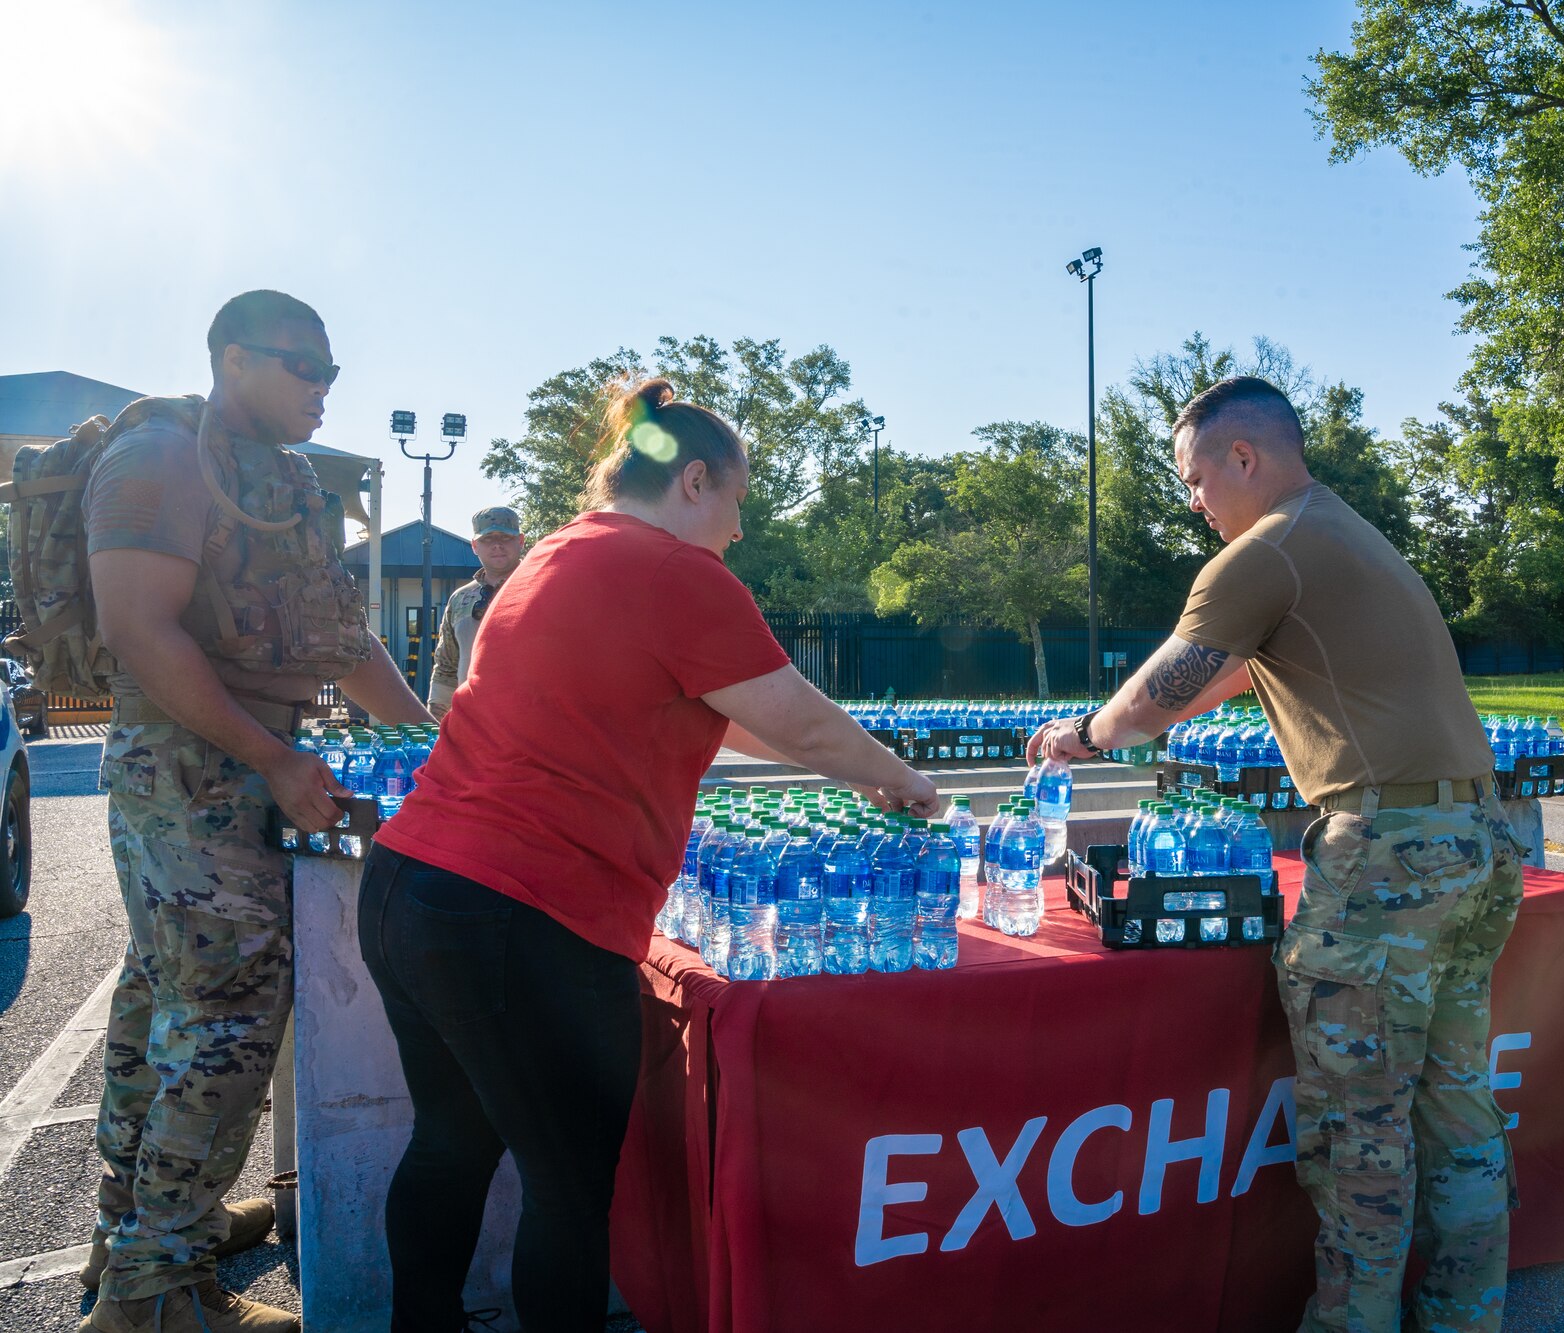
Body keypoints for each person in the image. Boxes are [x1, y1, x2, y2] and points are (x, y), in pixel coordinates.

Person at [359, 377, 941, 1331]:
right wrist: (899, 777)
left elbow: (728, 703)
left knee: (451, 1142)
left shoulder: (557, 553)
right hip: (522, 912)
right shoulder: (675, 572)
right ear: (696, 481)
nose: (741, 530)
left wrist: (853, 769)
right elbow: (791, 709)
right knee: (570, 1187)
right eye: (740, 502)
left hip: (411, 886)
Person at [1029, 376, 1524, 1332]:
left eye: (1195, 478)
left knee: (1358, 1135)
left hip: (1390, 858)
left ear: (1243, 458)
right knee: (1458, 1118)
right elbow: (1222, 677)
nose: (1193, 502)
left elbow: (1161, 694)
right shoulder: (1339, 532)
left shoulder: (1264, 552)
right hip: (1475, 838)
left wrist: (1085, 734)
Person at [82, 290, 438, 1333]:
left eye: (333, 372)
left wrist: (431, 741)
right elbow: (137, 628)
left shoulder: (280, 479)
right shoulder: (160, 455)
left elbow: (343, 637)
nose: (325, 390)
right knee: (227, 1015)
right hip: (187, 767)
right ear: (233, 361)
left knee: (167, 999)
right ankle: (154, 1293)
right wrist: (275, 759)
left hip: (240, 767)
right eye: (303, 368)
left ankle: (141, 1223)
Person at [427, 504, 526, 717]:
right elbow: (446, 667)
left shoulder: (541, 588)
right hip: (474, 721)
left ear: (521, 541)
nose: (497, 545)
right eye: (488, 539)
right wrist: (437, 720)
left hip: (529, 720)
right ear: (474, 546)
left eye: (506, 538)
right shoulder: (460, 599)